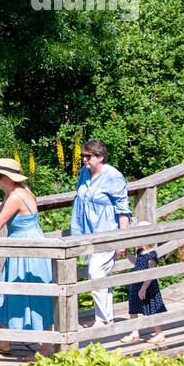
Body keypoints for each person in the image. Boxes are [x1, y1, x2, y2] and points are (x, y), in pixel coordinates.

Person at [0, 158, 55, 356]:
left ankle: (47, 348)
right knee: (9, 292)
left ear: (9, 178)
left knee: (33, 295)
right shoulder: (16, 193)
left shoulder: (16, 196)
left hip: (27, 250)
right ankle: (5, 341)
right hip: (23, 246)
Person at [70, 140, 132, 327]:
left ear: (100, 157)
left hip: (106, 233)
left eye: (88, 156)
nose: (84, 160)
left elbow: (123, 210)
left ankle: (104, 320)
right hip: (86, 233)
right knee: (99, 275)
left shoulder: (114, 176)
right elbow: (81, 200)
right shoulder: (84, 173)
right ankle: (104, 318)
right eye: (82, 156)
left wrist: (122, 240)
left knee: (95, 273)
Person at [121, 218, 167, 346]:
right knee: (133, 308)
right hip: (137, 284)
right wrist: (127, 255)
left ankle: (159, 334)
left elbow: (151, 274)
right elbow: (137, 263)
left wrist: (144, 288)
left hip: (148, 286)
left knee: (152, 309)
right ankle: (134, 332)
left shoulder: (152, 255)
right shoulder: (140, 252)